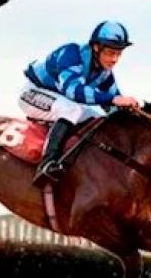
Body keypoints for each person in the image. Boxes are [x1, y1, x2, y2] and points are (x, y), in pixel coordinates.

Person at [20, 20, 142, 187]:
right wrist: (114, 100)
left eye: (118, 54)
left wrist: (130, 112)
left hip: (59, 100)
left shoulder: (104, 73)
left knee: (97, 119)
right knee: (71, 110)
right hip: (32, 93)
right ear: (96, 47)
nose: (114, 59)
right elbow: (73, 91)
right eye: (110, 53)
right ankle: (47, 164)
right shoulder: (71, 53)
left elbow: (113, 106)